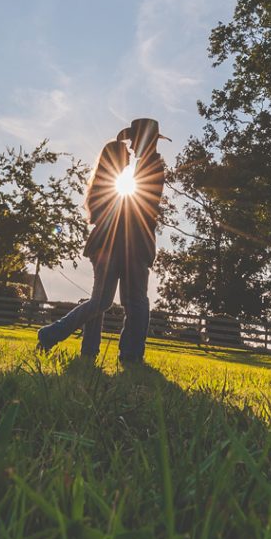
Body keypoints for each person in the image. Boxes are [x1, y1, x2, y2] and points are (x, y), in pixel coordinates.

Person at [37, 118, 169, 365]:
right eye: (128, 145)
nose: (130, 148)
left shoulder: (149, 167)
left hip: (127, 246)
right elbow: (129, 211)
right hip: (121, 246)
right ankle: (59, 337)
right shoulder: (138, 170)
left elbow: (138, 209)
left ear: (143, 140)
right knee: (111, 301)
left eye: (133, 142)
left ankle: (98, 350)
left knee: (109, 301)